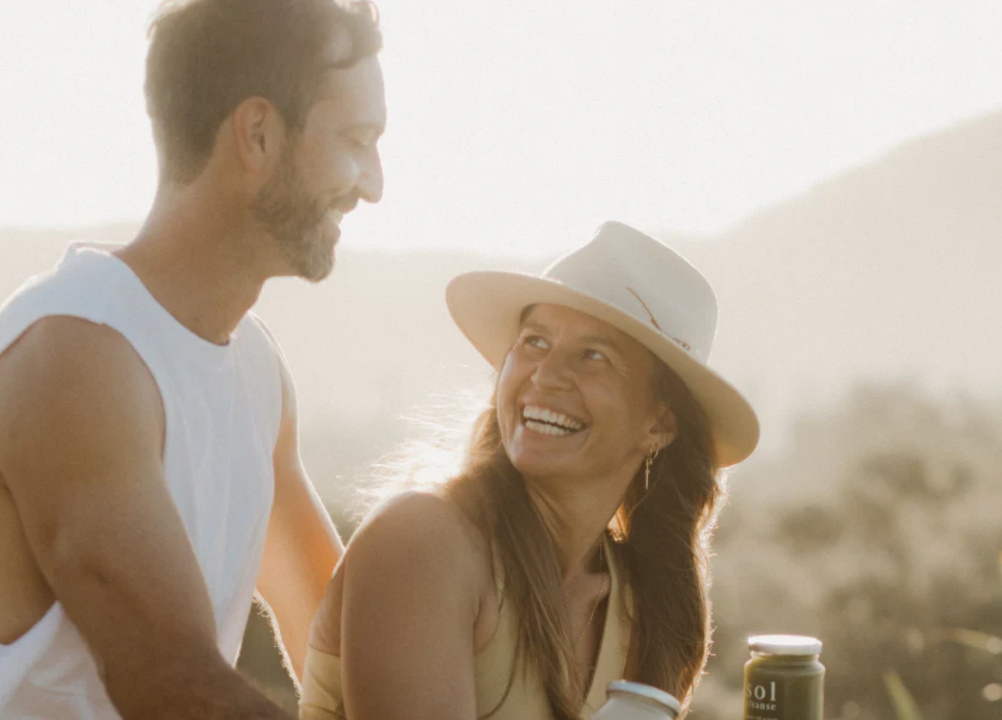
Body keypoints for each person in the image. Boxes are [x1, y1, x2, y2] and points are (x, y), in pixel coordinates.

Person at [0, 0, 385, 717]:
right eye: (355, 140)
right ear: (257, 134)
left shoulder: (255, 369)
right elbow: (172, 687)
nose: (373, 184)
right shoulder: (76, 357)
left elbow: (335, 635)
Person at [300, 221, 760, 719]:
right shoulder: (424, 541)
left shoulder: (644, 607)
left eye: (593, 356)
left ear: (660, 420)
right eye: (535, 342)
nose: (545, 375)